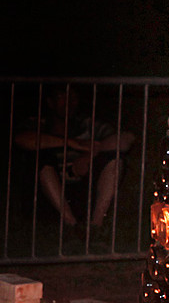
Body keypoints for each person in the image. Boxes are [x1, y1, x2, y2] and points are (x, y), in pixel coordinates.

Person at [14, 87, 135, 229]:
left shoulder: (86, 125)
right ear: (51, 102)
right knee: (39, 156)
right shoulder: (38, 124)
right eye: (62, 97)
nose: (68, 102)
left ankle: (96, 225)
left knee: (114, 157)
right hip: (47, 196)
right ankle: (70, 223)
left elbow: (127, 139)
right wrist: (72, 143)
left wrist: (91, 155)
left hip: (80, 191)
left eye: (73, 97)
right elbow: (21, 139)